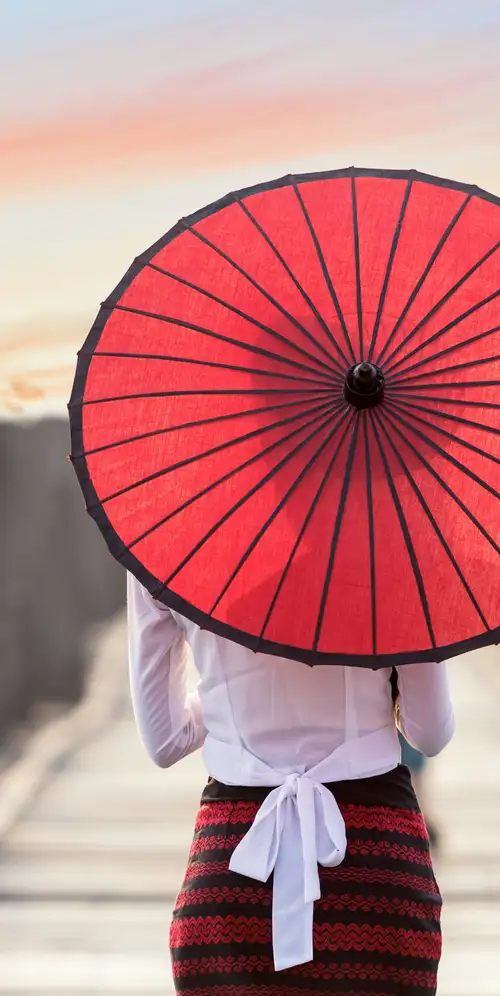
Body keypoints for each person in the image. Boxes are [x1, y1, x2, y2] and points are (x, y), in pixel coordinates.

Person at [128, 572, 454, 996]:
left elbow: (165, 740)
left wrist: (232, 696)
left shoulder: (166, 547)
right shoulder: (395, 548)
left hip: (233, 875)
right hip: (377, 871)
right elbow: (429, 733)